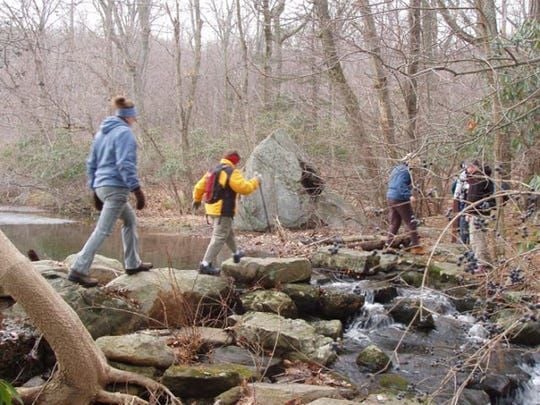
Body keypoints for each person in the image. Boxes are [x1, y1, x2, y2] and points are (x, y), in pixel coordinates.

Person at [67, 96, 152, 287]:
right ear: (129, 117)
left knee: (130, 220)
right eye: (134, 117)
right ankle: (79, 269)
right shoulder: (125, 133)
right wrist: (137, 189)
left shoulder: (101, 134)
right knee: (103, 230)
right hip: (116, 188)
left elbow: (91, 163)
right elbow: (125, 163)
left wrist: (94, 190)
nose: (135, 120)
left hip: (102, 186)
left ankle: (132, 263)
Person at [192, 151, 261, 275]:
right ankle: (205, 264)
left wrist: (197, 199)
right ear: (235, 161)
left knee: (227, 232)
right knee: (219, 236)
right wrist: (256, 181)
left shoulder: (212, 170)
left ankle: (236, 253)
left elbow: (198, 187)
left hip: (211, 208)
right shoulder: (231, 171)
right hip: (223, 210)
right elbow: (244, 188)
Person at [386, 153, 425, 255]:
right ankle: (416, 246)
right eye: (416, 163)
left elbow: (394, 183)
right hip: (400, 198)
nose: (417, 166)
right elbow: (400, 185)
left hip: (391, 197)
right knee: (411, 222)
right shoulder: (405, 171)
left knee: (395, 222)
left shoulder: (396, 169)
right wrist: (409, 195)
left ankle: (388, 244)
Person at [465, 160, 494, 273]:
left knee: (476, 239)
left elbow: (473, 197)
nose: (467, 170)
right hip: (484, 211)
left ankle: (481, 265)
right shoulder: (484, 178)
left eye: (468, 167)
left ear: (472, 167)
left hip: (478, 212)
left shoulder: (477, 179)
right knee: (479, 237)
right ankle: (487, 262)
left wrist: (469, 212)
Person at [452, 162, 470, 244]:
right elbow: (456, 187)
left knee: (466, 219)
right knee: (462, 219)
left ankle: (467, 238)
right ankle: (463, 238)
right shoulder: (463, 175)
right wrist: (456, 197)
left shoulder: (476, 175)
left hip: (470, 199)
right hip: (463, 199)